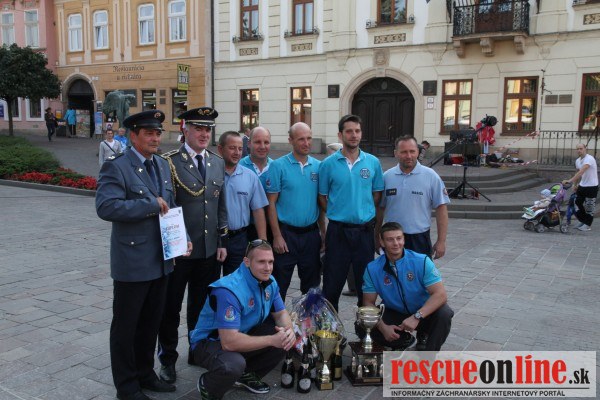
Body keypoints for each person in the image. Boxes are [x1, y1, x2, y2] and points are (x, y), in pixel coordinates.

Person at [96, 110, 191, 400]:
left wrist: (183, 237)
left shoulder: (161, 164)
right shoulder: (117, 166)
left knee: (151, 323)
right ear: (133, 135)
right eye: (149, 133)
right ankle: (127, 387)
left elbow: (170, 205)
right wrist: (149, 205)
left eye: (158, 133)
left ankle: (145, 374)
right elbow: (106, 207)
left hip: (162, 260)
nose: (155, 138)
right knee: (126, 327)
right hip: (133, 262)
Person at [157, 107, 229, 384]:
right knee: (170, 308)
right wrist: (175, 243)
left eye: (207, 129)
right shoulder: (170, 162)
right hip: (180, 251)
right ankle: (167, 359)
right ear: (185, 130)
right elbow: (168, 207)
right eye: (198, 128)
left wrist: (221, 240)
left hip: (208, 250)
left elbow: (220, 205)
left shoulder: (216, 162)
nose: (204, 134)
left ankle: (197, 351)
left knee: (201, 307)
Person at [189, 240, 295, 400]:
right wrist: (272, 340)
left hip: (241, 333)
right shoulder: (229, 290)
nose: (268, 268)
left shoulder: (269, 282)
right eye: (261, 262)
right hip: (209, 342)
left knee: (283, 337)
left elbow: (280, 314)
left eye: (270, 262)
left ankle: (245, 376)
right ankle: (209, 385)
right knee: (232, 365)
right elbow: (229, 342)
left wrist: (289, 332)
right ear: (247, 262)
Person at [318, 114, 384, 311]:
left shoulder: (372, 162)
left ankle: (364, 327)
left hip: (364, 232)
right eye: (349, 131)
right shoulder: (328, 164)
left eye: (357, 131)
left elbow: (377, 195)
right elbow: (322, 197)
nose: (354, 135)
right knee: (332, 284)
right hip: (338, 232)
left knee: (366, 286)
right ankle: (331, 328)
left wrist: (361, 209)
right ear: (340, 135)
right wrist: (338, 211)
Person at [361, 222, 453, 351]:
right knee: (361, 326)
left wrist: (417, 316)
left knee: (444, 313)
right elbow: (368, 303)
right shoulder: (372, 268)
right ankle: (404, 340)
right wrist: (383, 327)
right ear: (382, 242)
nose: (396, 243)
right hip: (395, 312)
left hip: (423, 312)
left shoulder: (422, 261)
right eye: (390, 239)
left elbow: (441, 295)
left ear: (404, 239)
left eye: (399, 238)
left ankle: (430, 354)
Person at [266, 122, 322, 300]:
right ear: (290, 140)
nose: (306, 143)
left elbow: (320, 203)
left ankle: (308, 317)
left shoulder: (319, 166)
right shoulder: (278, 166)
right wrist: (277, 236)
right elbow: (271, 203)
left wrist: (323, 232)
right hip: (286, 234)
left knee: (312, 287)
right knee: (279, 285)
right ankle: (275, 318)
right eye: (301, 139)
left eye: (309, 138)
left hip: (311, 235)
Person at [377, 136, 449, 259]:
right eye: (404, 152)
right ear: (396, 153)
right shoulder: (387, 177)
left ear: (418, 152)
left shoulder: (431, 176)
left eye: (412, 151)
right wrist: (376, 236)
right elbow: (380, 208)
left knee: (420, 271)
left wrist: (441, 241)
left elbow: (441, 208)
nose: (409, 156)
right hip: (392, 239)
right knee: (392, 271)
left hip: (419, 239)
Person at [218, 131, 268, 275]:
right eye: (232, 148)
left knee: (237, 282)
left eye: (240, 149)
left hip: (239, 240)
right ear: (220, 149)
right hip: (214, 239)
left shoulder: (250, 176)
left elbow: (258, 210)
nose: (237, 152)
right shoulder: (210, 174)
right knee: (210, 283)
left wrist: (263, 242)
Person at [563, 143, 599, 231]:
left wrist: (570, 181)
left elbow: (581, 172)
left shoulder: (589, 159)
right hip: (582, 185)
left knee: (589, 206)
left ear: (585, 149)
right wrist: (575, 185)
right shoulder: (578, 161)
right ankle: (583, 221)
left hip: (592, 186)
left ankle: (587, 225)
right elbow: (577, 173)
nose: (579, 150)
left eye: (581, 148)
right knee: (577, 203)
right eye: (578, 149)